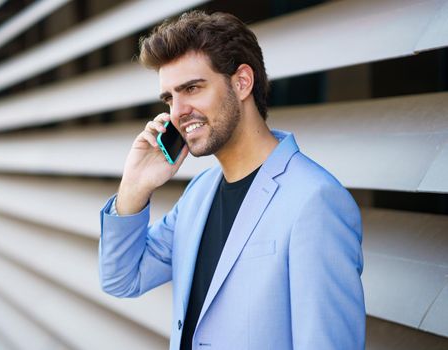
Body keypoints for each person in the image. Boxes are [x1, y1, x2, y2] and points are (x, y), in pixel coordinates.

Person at [99, 11, 365, 350]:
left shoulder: (316, 200)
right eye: (169, 98)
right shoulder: (199, 194)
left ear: (242, 82)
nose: (177, 111)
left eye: (192, 88)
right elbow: (122, 279)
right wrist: (134, 188)